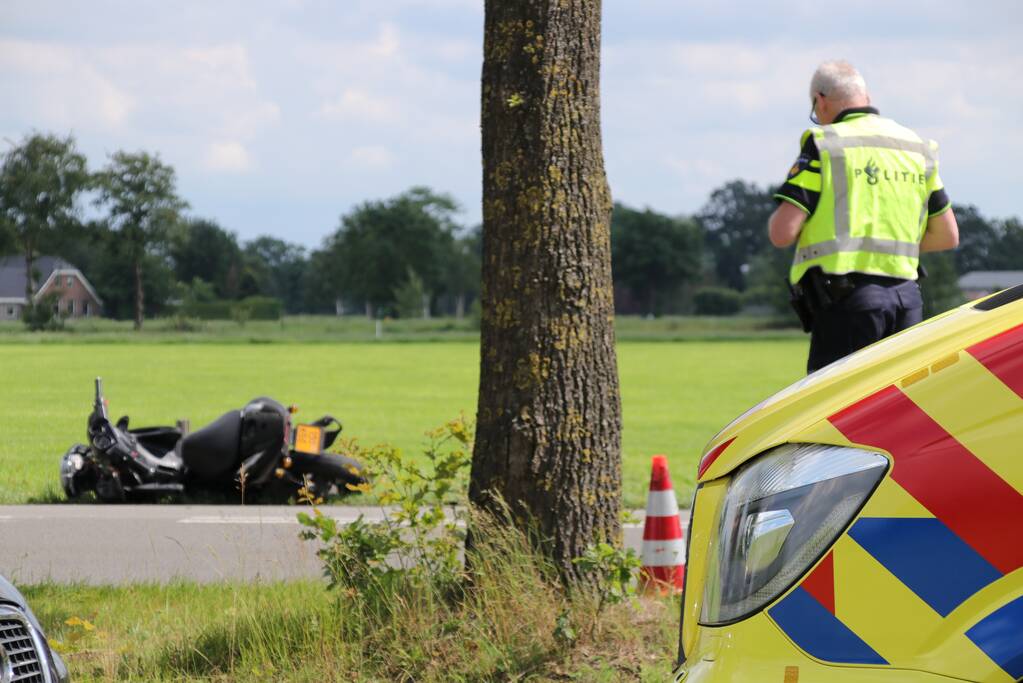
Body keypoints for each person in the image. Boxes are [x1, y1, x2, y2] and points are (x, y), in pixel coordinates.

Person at [769, 60, 959, 373]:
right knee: (898, 410)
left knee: (830, 411)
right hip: (907, 302)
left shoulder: (825, 144)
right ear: (866, 98)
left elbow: (782, 232)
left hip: (848, 305)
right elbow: (947, 235)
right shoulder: (916, 148)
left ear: (821, 101)